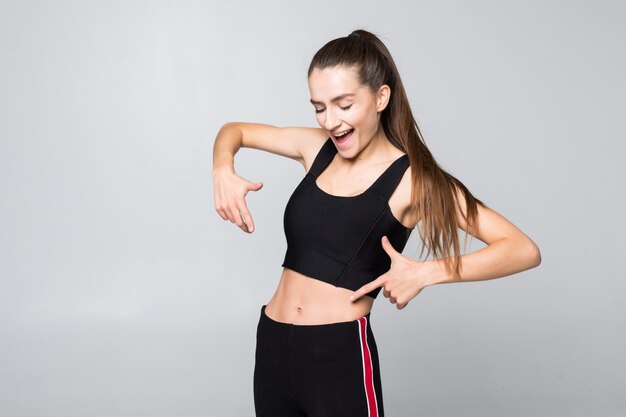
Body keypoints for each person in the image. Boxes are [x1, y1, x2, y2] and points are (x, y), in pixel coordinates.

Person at [212, 29, 541, 417]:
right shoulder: (316, 148)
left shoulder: (414, 180)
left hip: (337, 356)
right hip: (272, 344)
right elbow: (235, 130)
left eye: (344, 104)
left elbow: (523, 249)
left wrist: (427, 273)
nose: (331, 121)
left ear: (380, 97)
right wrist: (222, 170)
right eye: (319, 107)